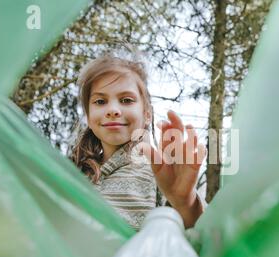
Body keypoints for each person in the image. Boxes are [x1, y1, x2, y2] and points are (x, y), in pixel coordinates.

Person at [71, 53, 207, 231]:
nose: (112, 110)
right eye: (100, 101)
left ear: (147, 114)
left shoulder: (161, 172)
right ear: (88, 117)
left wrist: (185, 203)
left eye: (126, 100)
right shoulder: (75, 175)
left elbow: (200, 234)